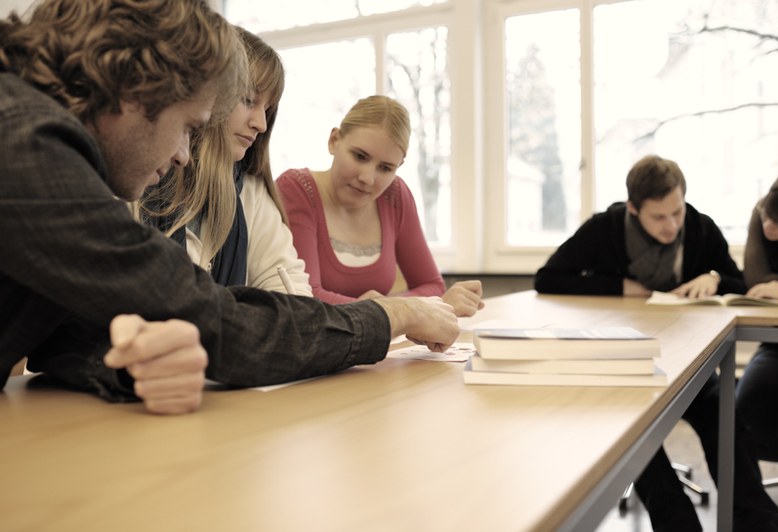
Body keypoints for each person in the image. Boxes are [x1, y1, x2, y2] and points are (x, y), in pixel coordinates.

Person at [0, 0, 459, 416]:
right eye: (187, 127)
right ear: (135, 91)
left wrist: (136, 362)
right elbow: (214, 317)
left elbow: (65, 331)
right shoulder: (24, 144)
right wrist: (390, 316)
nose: (183, 153)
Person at [535, 155, 778, 531]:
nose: (671, 226)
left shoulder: (699, 227)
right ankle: (678, 524)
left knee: (723, 414)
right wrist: (620, 287)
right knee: (637, 433)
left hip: (690, 360)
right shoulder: (605, 229)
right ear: (634, 209)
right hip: (625, 366)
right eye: (658, 217)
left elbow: (740, 282)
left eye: (677, 212)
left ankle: (759, 523)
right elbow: (548, 278)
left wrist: (715, 279)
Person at [276, 95, 484, 317]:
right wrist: (389, 310)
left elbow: (432, 285)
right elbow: (305, 297)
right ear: (334, 140)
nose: (367, 178)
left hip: (379, 346)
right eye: (359, 156)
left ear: (398, 167)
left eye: (385, 168)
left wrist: (387, 310)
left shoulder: (395, 195)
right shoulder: (297, 189)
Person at [140, 27, 311, 295]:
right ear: (204, 94)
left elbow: (293, 295)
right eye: (247, 100)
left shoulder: (251, 191)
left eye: (267, 110)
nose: (261, 124)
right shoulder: (136, 178)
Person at [736, 164, 778, 465]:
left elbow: (771, 286)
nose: (768, 228)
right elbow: (756, 281)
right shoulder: (763, 209)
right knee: (742, 424)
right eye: (767, 217)